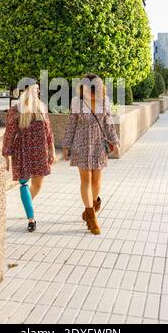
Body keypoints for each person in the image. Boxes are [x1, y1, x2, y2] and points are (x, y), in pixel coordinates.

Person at [62, 74, 120, 235]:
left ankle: (90, 209)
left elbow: (108, 124)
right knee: (85, 180)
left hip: (98, 145)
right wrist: (66, 145)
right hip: (81, 144)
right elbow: (71, 125)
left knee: (97, 182)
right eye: (88, 88)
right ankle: (92, 218)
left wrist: (115, 142)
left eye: (94, 88)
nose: (91, 92)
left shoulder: (105, 102)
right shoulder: (77, 103)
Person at [2, 81, 55, 232]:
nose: (38, 92)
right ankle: (31, 219)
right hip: (27, 150)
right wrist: (6, 154)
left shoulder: (40, 107)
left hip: (35, 150)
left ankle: (27, 205)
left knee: (35, 184)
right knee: (25, 184)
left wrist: (51, 150)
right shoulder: (16, 110)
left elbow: (48, 131)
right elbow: (9, 134)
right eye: (36, 89)